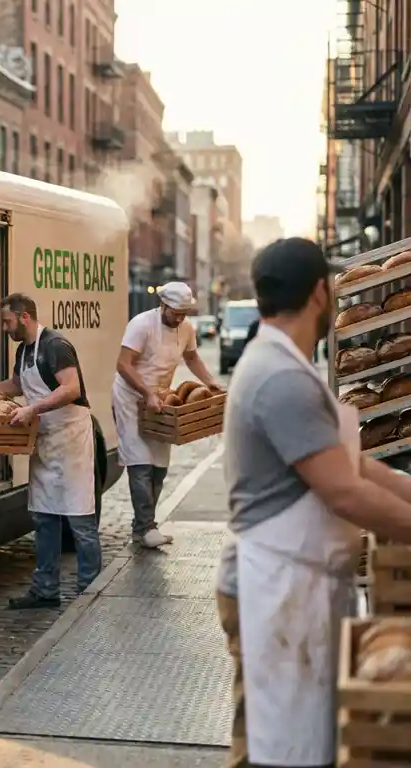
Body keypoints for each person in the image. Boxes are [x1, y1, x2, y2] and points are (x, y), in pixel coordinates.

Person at [217, 237, 411, 767]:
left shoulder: (286, 364)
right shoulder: (281, 377)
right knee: (278, 751)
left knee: (272, 739)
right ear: (322, 293)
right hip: (277, 588)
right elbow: (344, 490)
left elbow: (354, 464)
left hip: (293, 581)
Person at [0, 293, 101, 609]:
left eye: (7, 321)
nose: (4, 328)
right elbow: (17, 385)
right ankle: (45, 590)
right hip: (44, 440)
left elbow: (71, 389)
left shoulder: (56, 345)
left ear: (24, 317)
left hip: (71, 440)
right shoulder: (24, 350)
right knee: (44, 518)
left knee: (80, 520)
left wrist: (33, 409)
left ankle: (93, 592)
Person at [113, 282, 221, 548]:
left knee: (159, 467)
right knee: (140, 463)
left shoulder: (186, 328)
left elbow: (192, 357)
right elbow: (123, 364)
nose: (180, 318)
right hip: (130, 398)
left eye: (184, 313)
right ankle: (147, 528)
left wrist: (211, 382)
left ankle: (142, 527)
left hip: (160, 402)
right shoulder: (142, 325)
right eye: (175, 313)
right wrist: (146, 392)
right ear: (163, 305)